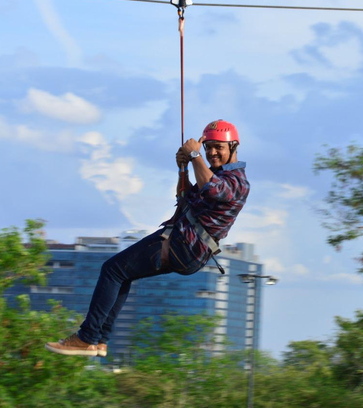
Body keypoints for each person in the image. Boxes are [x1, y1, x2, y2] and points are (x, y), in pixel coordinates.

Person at [45, 119, 250, 356]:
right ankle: (99, 340)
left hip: (183, 245)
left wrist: (194, 154)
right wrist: (183, 168)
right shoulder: (212, 173)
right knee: (122, 274)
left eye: (219, 147)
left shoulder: (237, 182)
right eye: (208, 147)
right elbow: (185, 196)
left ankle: (87, 337)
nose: (212, 152)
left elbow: (211, 187)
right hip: (186, 246)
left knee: (112, 270)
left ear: (233, 147)